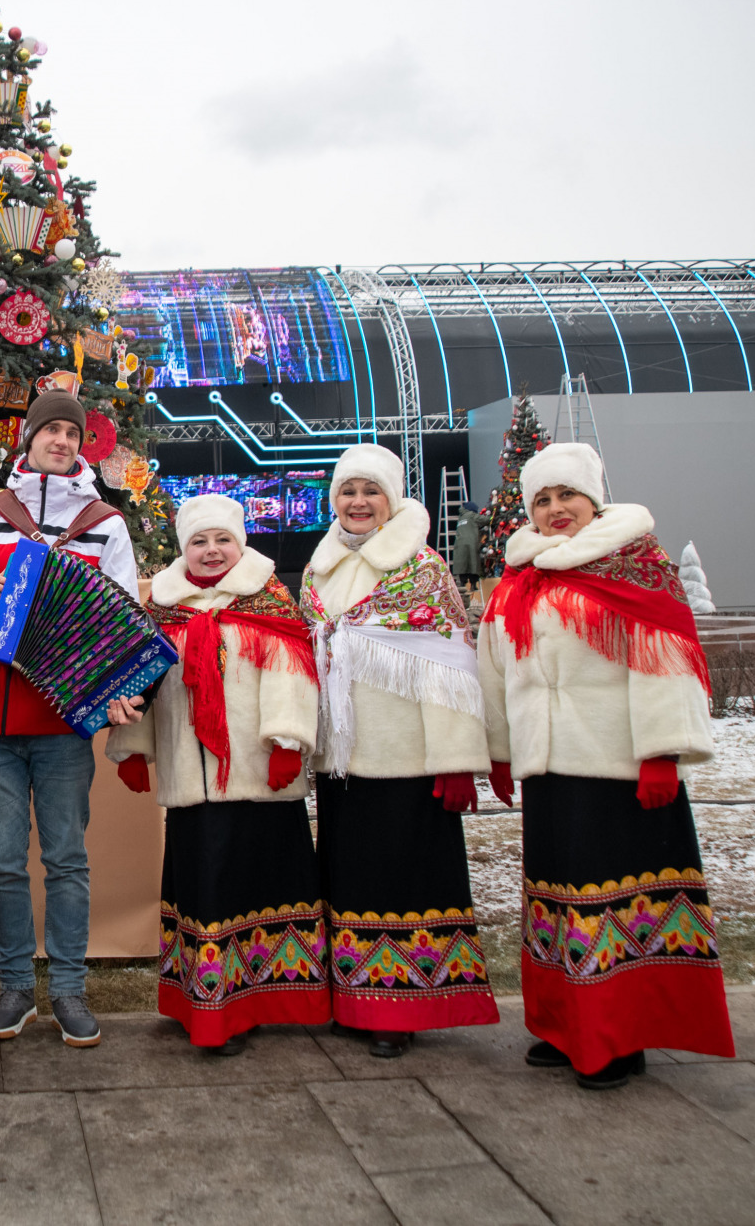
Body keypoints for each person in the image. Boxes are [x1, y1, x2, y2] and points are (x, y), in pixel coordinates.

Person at [478, 442, 734, 1089]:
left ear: (594, 499)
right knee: (561, 898)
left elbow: (666, 661)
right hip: (549, 768)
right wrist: (501, 750)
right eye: (543, 499)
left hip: (620, 770)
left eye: (568, 495)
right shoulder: (520, 578)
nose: (556, 508)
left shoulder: (636, 564)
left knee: (620, 905)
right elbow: (495, 671)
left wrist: (662, 753)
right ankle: (569, 1025)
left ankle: (621, 1037)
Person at [0, 389, 139, 1048]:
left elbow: (126, 616)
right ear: (30, 440)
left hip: (62, 726)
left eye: (71, 434)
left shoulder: (107, 524)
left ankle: (69, 989)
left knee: (69, 859)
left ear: (82, 445)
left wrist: (119, 689)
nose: (62, 441)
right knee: (2, 860)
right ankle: (16, 984)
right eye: (50, 431)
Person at [104, 494, 327, 1055]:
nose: (211, 551)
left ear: (240, 542)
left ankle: (264, 1001)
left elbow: (291, 672)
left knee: (260, 883)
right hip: (192, 781)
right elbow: (144, 686)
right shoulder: (163, 609)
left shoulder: (269, 597)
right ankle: (208, 1003)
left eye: (221, 540)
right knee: (205, 888)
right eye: (199, 542)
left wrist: (287, 743)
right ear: (184, 549)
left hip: (259, 778)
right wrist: (133, 747)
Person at [298, 445, 499, 1058]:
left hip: (408, 759)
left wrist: (456, 760)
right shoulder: (318, 569)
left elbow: (451, 670)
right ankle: (355, 996)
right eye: (347, 492)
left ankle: (400, 1005)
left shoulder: (423, 568)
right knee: (350, 880)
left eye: (371, 492)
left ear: (392, 499)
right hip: (343, 762)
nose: (358, 503)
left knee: (403, 881)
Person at [453, 500, 483, 595]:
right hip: (471, 544)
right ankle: (473, 585)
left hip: (460, 545)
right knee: (473, 564)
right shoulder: (471, 515)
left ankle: (463, 585)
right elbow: (484, 520)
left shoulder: (461, 517)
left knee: (463, 565)